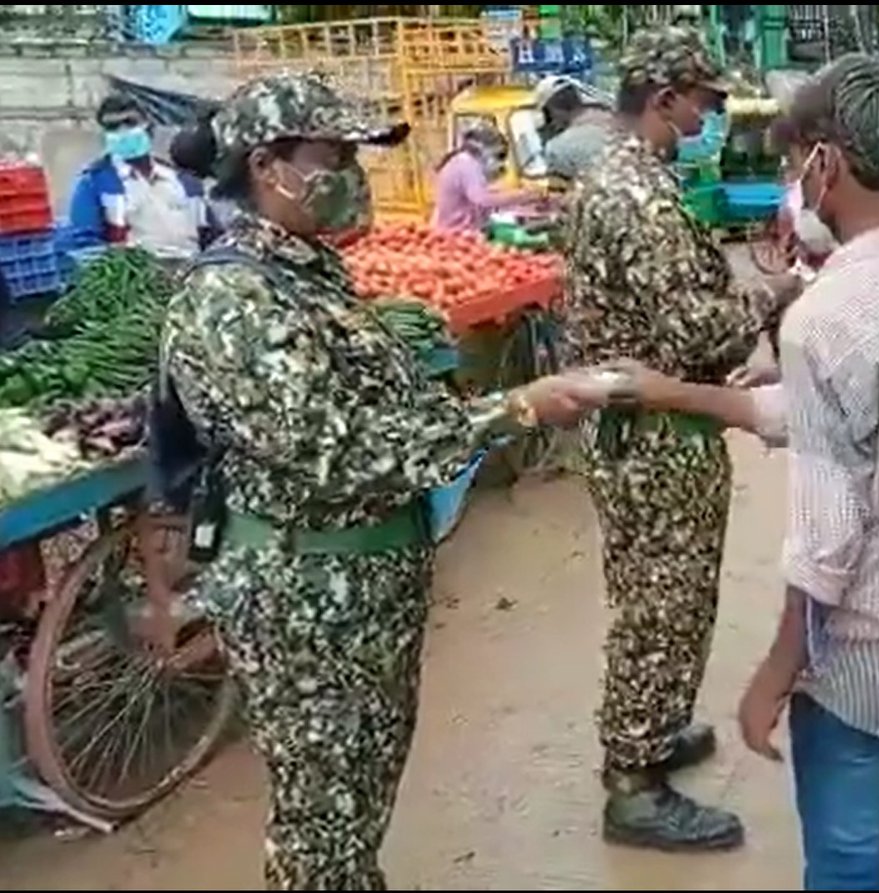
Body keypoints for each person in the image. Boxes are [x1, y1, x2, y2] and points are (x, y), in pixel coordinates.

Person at [159, 72, 614, 890]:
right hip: (305, 601)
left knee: (355, 807)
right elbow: (335, 450)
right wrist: (514, 408)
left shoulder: (307, 274)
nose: (354, 177)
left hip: (359, 594)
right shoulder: (234, 296)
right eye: (335, 157)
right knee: (322, 825)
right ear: (267, 166)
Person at [612, 54, 879, 891]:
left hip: (865, 649)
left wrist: (777, 667)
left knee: (845, 861)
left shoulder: (825, 317)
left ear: (826, 161)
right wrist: (675, 392)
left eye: (795, 161)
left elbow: (829, 537)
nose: (793, 182)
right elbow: (829, 415)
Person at [561, 26, 797, 852]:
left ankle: (653, 728)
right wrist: (774, 294)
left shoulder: (616, 176)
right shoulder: (639, 197)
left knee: (661, 592)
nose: (709, 117)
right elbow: (698, 331)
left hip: (642, 424)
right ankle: (634, 782)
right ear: (665, 99)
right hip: (654, 435)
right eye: (704, 102)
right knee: (662, 603)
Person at [66, 93, 214, 255]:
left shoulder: (184, 181)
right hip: (136, 269)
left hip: (192, 266)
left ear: (148, 126)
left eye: (130, 122)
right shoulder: (94, 183)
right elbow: (86, 246)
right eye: (112, 127)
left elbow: (211, 236)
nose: (122, 131)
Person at [431, 125, 538, 232]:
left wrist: (513, 193)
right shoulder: (468, 165)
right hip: (457, 231)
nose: (500, 164)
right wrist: (522, 195)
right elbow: (483, 198)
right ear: (486, 151)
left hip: (458, 228)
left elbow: (481, 191)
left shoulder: (463, 161)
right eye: (499, 156)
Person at [541, 82, 614, 180]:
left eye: (548, 115)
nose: (552, 123)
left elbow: (558, 187)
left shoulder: (557, 148)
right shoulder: (625, 126)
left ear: (554, 110)